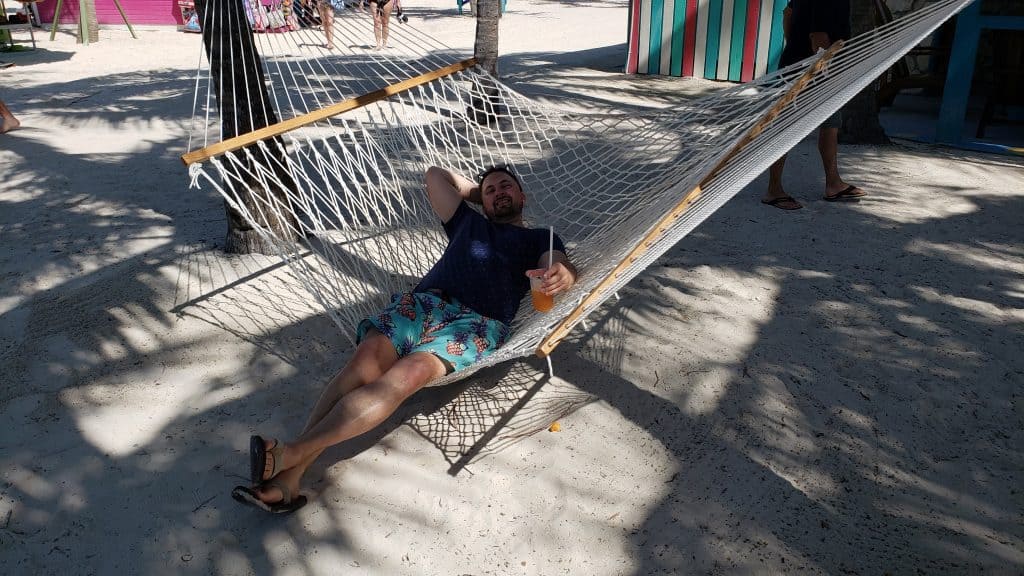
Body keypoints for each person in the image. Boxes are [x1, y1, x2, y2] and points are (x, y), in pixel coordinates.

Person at [232, 165, 578, 513]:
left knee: (406, 377)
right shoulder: (468, 223)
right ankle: (290, 477)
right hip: (424, 303)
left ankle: (290, 454)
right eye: (490, 191)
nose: (499, 192)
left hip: (477, 325)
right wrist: (479, 191)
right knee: (361, 366)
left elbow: (559, 264)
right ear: (480, 202)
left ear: (523, 196)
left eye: (507, 187)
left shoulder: (540, 238)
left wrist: (563, 274)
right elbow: (435, 176)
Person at [761, 0, 866, 210]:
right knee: (785, 128)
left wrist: (793, 45)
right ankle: (774, 190)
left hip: (804, 65)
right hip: (812, 71)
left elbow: (787, 13)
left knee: (830, 125)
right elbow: (818, 38)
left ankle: (833, 184)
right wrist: (820, 69)